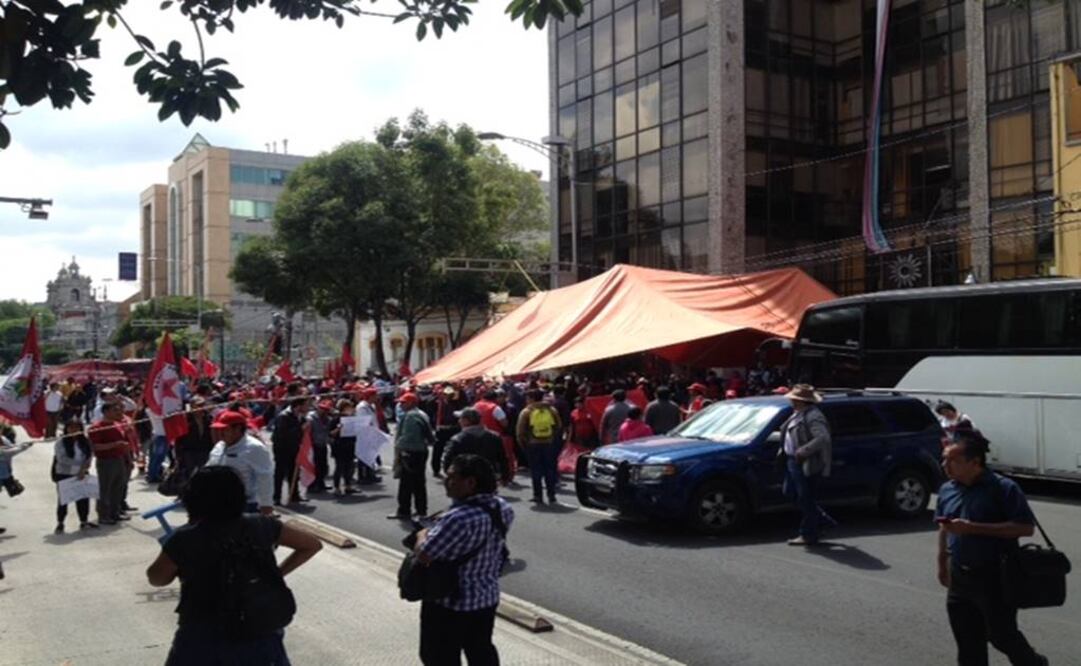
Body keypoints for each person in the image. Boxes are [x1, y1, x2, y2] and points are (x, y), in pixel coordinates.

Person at [146, 466, 322, 665]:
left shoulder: (185, 538)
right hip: (258, 624)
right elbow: (311, 545)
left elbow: (156, 578)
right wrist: (276, 573)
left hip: (203, 631)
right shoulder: (262, 525)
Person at [935, 429, 1048, 666]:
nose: (945, 464)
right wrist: (942, 562)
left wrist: (972, 528)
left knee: (1001, 636)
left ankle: (1034, 663)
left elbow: (1024, 528)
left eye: (952, 460)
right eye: (944, 458)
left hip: (995, 575)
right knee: (967, 643)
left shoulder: (1004, 488)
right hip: (960, 576)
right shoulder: (947, 490)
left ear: (975, 462)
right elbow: (944, 527)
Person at [413, 454, 514, 666]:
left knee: (439, 656)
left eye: (451, 477)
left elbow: (424, 554)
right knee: (481, 651)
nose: (445, 481)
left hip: (450, 601)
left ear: (470, 482)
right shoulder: (502, 508)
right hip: (485, 597)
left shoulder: (458, 519)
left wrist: (422, 534)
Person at [778, 384, 834, 546]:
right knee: (792, 493)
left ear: (803, 401)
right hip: (792, 460)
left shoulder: (814, 416)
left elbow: (822, 438)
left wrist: (804, 451)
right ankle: (821, 520)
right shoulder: (798, 414)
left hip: (805, 462)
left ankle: (809, 533)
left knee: (805, 497)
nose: (792, 401)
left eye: (795, 399)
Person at [205, 410, 275, 515]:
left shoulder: (254, 448)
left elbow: (265, 477)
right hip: (219, 503)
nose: (220, 433)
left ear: (237, 429)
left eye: (225, 429)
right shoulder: (219, 447)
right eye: (219, 429)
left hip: (246, 506)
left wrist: (266, 504)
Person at [388, 392, 435, 520]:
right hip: (421, 451)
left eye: (403, 402)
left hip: (411, 453)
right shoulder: (421, 414)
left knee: (406, 484)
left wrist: (400, 450)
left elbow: (408, 437)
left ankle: (404, 510)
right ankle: (421, 510)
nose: (400, 404)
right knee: (419, 483)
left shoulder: (410, 416)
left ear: (411, 403)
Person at [87, 400, 132, 525]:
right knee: (105, 489)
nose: (119, 413)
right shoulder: (97, 428)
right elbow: (95, 447)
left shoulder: (118, 425)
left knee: (118, 487)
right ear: (106, 412)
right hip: (106, 461)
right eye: (115, 410)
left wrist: (128, 458)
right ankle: (103, 515)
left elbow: (124, 443)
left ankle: (115, 512)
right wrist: (114, 445)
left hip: (120, 459)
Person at [516, 389, 563, 504]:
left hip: (533, 445)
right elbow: (559, 426)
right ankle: (551, 495)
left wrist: (524, 445)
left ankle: (538, 496)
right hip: (549, 444)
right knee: (549, 469)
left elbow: (520, 432)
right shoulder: (552, 410)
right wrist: (552, 438)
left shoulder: (526, 412)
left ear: (531, 399)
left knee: (536, 470)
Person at [53, 418, 95, 533]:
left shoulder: (85, 441)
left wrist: (85, 467)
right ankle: (60, 522)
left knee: (83, 498)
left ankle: (83, 521)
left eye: (77, 427)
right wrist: (80, 466)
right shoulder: (61, 442)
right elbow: (62, 459)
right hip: (65, 473)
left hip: (82, 474)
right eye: (71, 427)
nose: (74, 430)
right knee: (63, 500)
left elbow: (89, 454)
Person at [443, 407, 508, 482]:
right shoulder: (495, 436)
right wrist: (505, 476)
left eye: (460, 418)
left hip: (465, 480)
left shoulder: (457, 439)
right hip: (488, 478)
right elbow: (503, 459)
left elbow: (447, 460)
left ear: (466, 421)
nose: (459, 421)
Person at [271, 398, 308, 506]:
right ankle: (276, 497)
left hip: (294, 448)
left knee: (294, 472)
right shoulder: (284, 416)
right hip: (282, 449)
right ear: (298, 406)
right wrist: (300, 429)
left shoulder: (300, 416)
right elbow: (283, 434)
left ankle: (294, 495)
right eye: (305, 405)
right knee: (280, 474)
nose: (307, 408)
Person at [329, 399, 357, 496]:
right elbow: (331, 434)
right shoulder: (335, 419)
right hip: (339, 446)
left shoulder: (353, 419)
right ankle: (336, 487)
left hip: (350, 445)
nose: (351, 409)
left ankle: (348, 486)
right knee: (339, 467)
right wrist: (339, 428)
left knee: (349, 467)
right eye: (349, 407)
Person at [307, 400, 334, 494]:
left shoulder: (328, 419)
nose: (324, 411)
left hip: (322, 444)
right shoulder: (311, 418)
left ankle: (321, 483)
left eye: (326, 410)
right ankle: (312, 485)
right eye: (322, 409)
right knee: (313, 466)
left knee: (322, 466)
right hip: (313, 445)